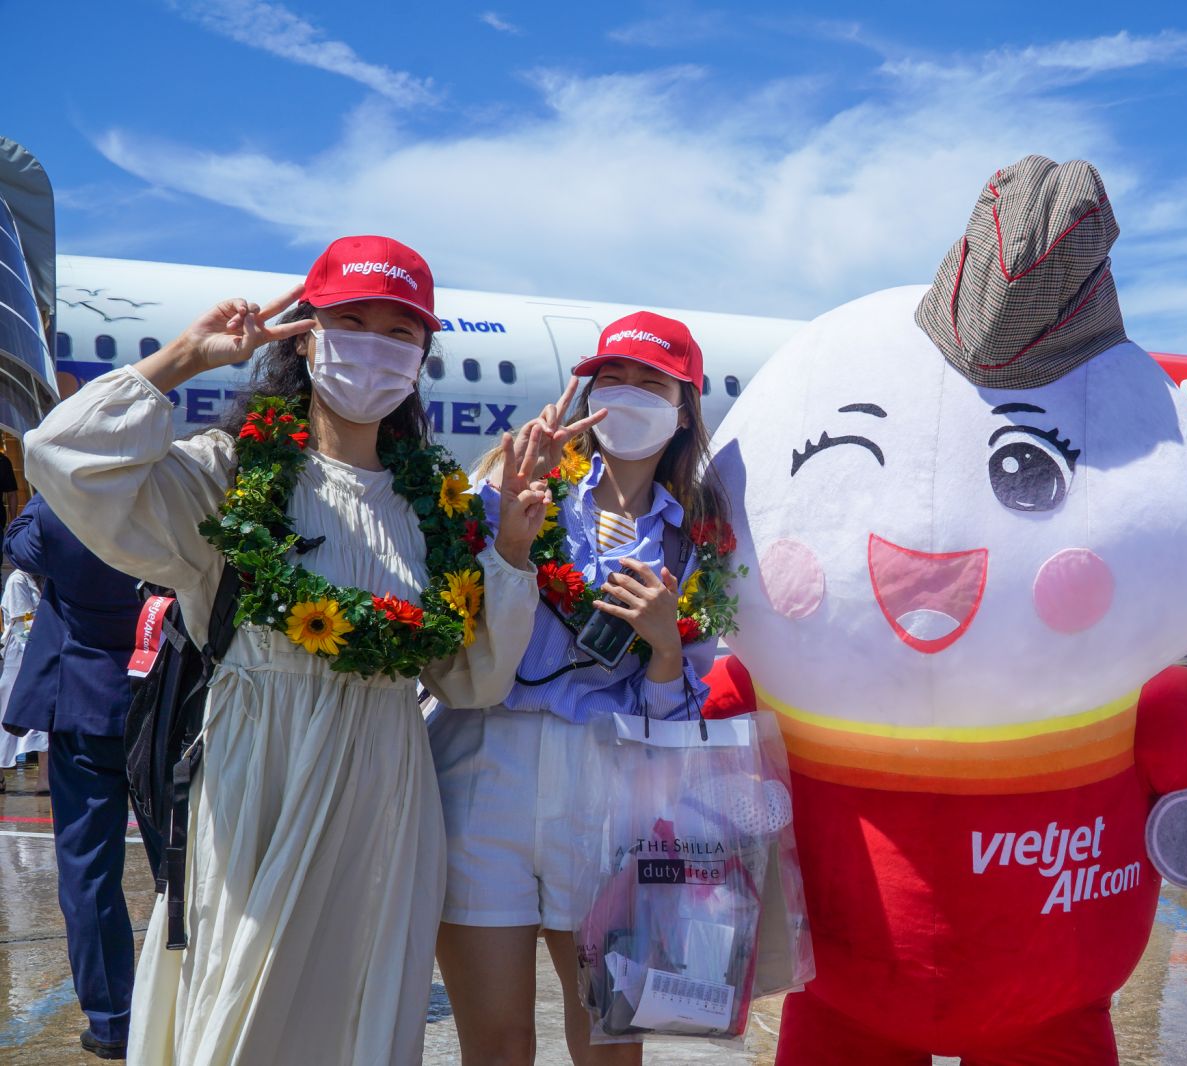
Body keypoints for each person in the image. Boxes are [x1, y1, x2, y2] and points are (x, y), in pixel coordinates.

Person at [22, 235, 548, 1065]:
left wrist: (510, 556)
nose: (374, 346)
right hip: (255, 778)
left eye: (399, 332)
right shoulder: (230, 475)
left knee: (361, 1017)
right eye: (352, 320)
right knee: (246, 1007)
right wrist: (185, 358)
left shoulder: (434, 511)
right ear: (304, 333)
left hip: (386, 792)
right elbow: (65, 459)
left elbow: (468, 680)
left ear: (422, 355)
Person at [428, 312, 726, 1066]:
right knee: (498, 1043)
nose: (625, 395)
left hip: (609, 787)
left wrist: (663, 644)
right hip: (484, 767)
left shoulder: (702, 539)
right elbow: (456, 629)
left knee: (608, 1040)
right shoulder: (518, 482)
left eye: (649, 382)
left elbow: (679, 718)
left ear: (684, 406)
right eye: (611, 378)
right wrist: (506, 521)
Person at [0, 496, 151, 1059]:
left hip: (83, 703)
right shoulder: (173, 495)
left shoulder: (60, 506)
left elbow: (16, 542)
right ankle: (187, 1004)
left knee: (87, 872)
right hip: (162, 703)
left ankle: (112, 1022)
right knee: (181, 870)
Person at [0, 565, 45, 792]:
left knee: (44, 721)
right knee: (7, 714)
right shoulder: (18, 580)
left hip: (41, 653)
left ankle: (45, 778)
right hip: (20, 655)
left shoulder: (50, 578)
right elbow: (22, 625)